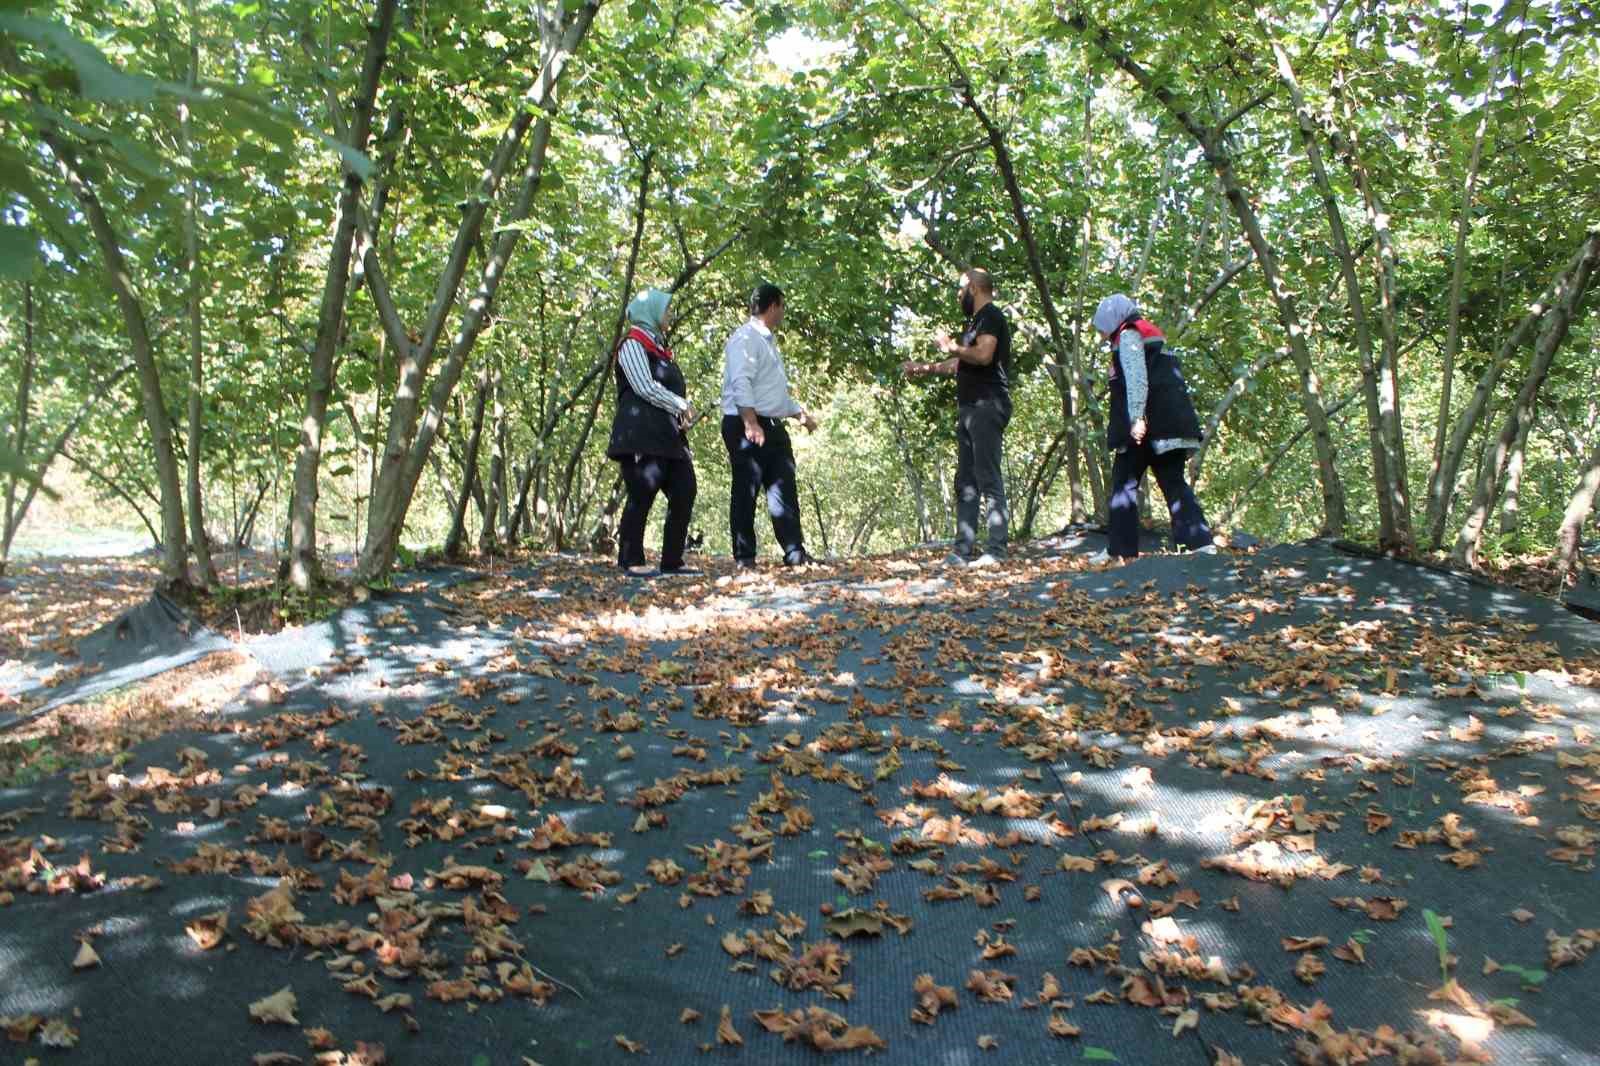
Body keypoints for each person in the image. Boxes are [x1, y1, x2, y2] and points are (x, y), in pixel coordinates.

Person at [900, 268, 1012, 566]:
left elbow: (984, 355)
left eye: (961, 289)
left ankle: (996, 551)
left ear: (974, 288)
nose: (958, 295)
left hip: (987, 405)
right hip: (970, 408)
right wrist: (924, 368)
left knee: (987, 477)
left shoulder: (990, 315)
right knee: (966, 480)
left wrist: (952, 346)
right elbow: (960, 362)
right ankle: (962, 551)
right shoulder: (976, 323)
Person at [1091, 293, 1214, 562]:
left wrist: (1136, 418)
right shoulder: (1152, 334)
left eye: (1101, 326)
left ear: (1113, 320)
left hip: (1146, 429)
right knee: (1173, 482)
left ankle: (1118, 550)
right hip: (1169, 428)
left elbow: (1137, 379)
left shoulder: (1129, 336)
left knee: (1124, 483)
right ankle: (1201, 544)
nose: (1101, 333)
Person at [720, 283, 819, 570]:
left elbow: (772, 393)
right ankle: (745, 557)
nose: (784, 313)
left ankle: (794, 552)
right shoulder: (745, 338)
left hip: (772, 425)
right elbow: (741, 383)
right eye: (783, 307)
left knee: (783, 487)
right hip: (745, 423)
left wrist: (800, 415)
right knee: (746, 489)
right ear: (773, 305)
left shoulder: (768, 341)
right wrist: (750, 423)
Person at [605, 287, 698, 575]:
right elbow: (644, 387)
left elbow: (665, 392)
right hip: (640, 435)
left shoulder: (661, 349)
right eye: (666, 309)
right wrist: (680, 403)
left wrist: (681, 415)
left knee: (685, 490)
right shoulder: (632, 344)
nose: (669, 314)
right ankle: (631, 560)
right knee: (642, 494)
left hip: (669, 436)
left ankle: (672, 561)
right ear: (652, 311)